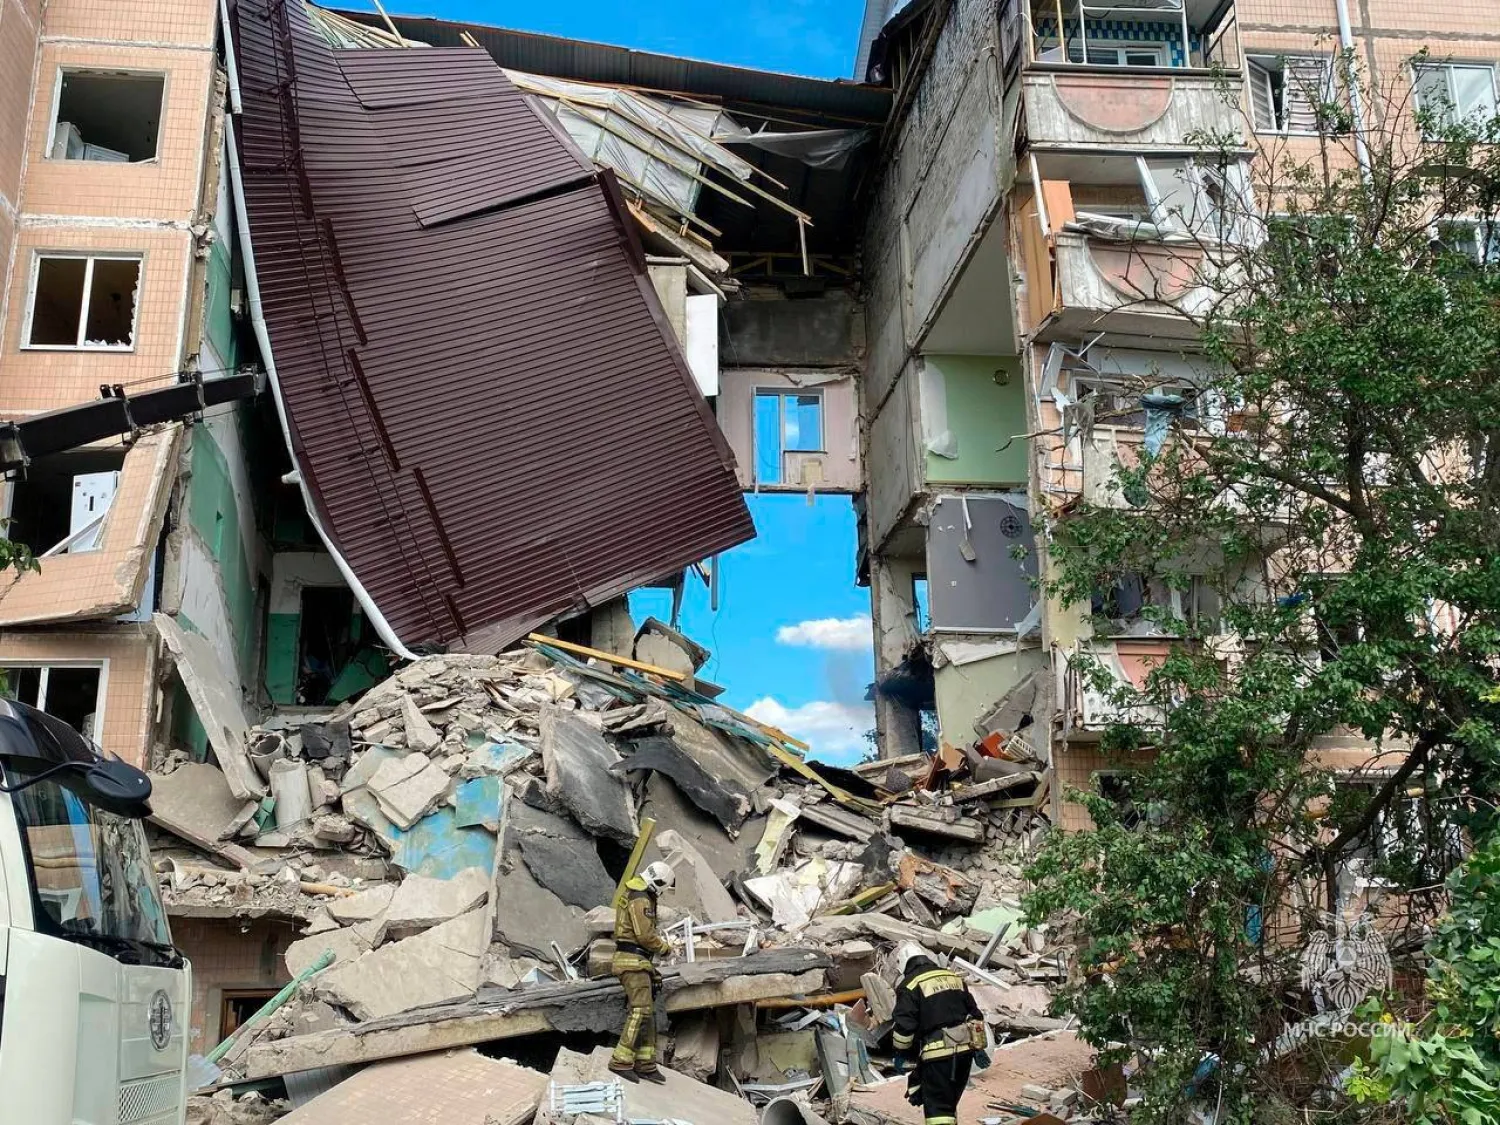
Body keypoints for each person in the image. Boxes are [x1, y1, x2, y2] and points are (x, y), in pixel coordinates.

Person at [891, 952, 986, 1125]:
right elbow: (975, 1015)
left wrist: (900, 1052)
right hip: (966, 1053)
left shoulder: (910, 984)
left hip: (938, 1055)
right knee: (949, 1104)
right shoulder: (953, 977)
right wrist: (979, 1047)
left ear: (905, 966)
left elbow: (905, 1026)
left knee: (939, 1111)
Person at [608, 861, 676, 1083]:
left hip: (637, 961)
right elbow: (645, 936)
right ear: (658, 884)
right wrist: (665, 948)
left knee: (647, 1011)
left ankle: (646, 1063)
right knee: (640, 1011)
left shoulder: (636, 892)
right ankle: (620, 1060)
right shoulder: (640, 898)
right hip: (632, 961)